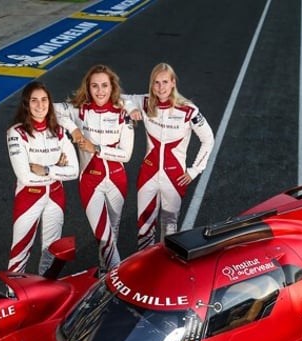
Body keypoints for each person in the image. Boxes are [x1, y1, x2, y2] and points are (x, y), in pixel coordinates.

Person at [125, 63, 215, 249]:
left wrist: (195, 170)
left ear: (173, 82)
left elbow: (208, 139)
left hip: (175, 178)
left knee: (170, 227)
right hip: (148, 174)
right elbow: (118, 96)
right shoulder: (144, 102)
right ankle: (145, 268)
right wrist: (130, 108)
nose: (161, 87)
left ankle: (164, 269)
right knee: (144, 226)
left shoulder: (189, 110)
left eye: (165, 82)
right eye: (156, 83)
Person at [55, 65, 135, 272]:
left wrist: (96, 148)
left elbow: (126, 155)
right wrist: (73, 129)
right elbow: (51, 110)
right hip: (90, 182)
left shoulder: (122, 113)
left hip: (117, 181)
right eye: (95, 86)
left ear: (112, 87)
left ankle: (103, 270)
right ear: (88, 88)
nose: (100, 91)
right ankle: (117, 275)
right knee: (103, 233)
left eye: (104, 86)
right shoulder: (79, 110)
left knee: (112, 232)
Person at [6, 80, 79, 274]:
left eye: (44, 100)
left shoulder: (59, 131)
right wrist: (57, 170)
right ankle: (13, 295)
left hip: (55, 196)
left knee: (52, 251)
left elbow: (74, 171)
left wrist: (47, 169)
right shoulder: (16, 133)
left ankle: (46, 295)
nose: (40, 105)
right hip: (29, 197)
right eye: (34, 101)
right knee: (20, 253)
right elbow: (26, 177)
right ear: (26, 104)